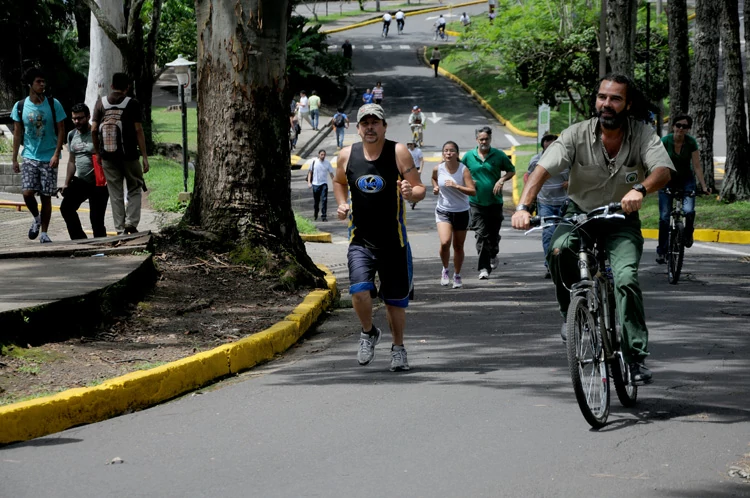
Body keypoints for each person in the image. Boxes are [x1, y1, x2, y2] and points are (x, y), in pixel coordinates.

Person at [511, 73, 675, 384]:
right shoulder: (575, 135)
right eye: (602, 97)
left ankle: (636, 356)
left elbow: (663, 171)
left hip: (621, 221)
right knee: (558, 250)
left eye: (615, 99)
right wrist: (523, 207)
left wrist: (640, 189)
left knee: (625, 279)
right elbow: (542, 169)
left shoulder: (642, 134)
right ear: (595, 100)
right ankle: (570, 315)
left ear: (627, 105)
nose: (607, 104)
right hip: (581, 215)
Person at [332, 103, 426, 372]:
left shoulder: (398, 152)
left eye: (375, 122)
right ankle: (368, 332)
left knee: (394, 302)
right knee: (359, 291)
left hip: (393, 242)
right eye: (365, 123)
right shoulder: (347, 154)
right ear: (358, 128)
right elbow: (339, 182)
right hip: (360, 239)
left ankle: (398, 348)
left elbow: (420, 188)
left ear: (384, 126)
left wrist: (410, 192)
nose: (370, 127)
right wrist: (341, 204)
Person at [10, 67, 66, 244]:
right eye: (38, 82)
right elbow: (17, 133)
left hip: (49, 156)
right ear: (30, 84)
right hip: (29, 156)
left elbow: (61, 129)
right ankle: (36, 218)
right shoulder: (20, 106)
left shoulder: (53, 103)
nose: (42, 85)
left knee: (46, 196)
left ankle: (44, 233)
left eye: (44, 82)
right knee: (27, 193)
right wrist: (14, 159)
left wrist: (57, 154)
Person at [91, 72, 150, 235]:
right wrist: (144, 156)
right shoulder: (132, 103)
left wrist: (98, 153)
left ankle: (119, 228)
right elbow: (138, 130)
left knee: (115, 192)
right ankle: (131, 222)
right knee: (135, 186)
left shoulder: (100, 103)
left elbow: (94, 129)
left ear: (111, 86)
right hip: (129, 155)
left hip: (108, 156)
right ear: (127, 87)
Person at [656, 114, 710, 262]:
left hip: (686, 180)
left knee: (688, 211)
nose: (680, 128)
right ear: (673, 126)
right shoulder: (665, 141)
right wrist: (655, 182)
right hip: (667, 180)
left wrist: (704, 186)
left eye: (684, 126)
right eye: (678, 125)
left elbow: (697, 166)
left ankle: (688, 233)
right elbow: (657, 162)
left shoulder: (691, 142)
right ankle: (662, 250)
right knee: (664, 217)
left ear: (688, 129)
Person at [463, 126, 515, 279]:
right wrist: (468, 181)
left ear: (490, 139)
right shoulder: (468, 156)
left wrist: (501, 179)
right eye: (481, 139)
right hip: (476, 202)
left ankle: (493, 252)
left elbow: (511, 170)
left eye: (486, 139)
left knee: (493, 234)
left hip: (495, 202)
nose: (484, 141)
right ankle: (483, 268)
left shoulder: (499, 155)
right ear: (477, 140)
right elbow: (460, 171)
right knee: (481, 235)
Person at [60, 103, 109, 240]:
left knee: (96, 220)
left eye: (80, 118)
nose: (77, 121)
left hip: (99, 184)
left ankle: (101, 249)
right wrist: (66, 183)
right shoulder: (71, 135)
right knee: (66, 209)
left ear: (88, 117)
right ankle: (80, 241)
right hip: (81, 182)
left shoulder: (97, 133)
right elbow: (71, 161)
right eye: (74, 119)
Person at [432, 141, 476, 289]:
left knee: (458, 246)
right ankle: (445, 269)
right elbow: (433, 178)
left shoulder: (463, 170)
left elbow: (472, 191)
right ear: (443, 153)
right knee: (445, 243)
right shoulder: (438, 168)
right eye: (445, 151)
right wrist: (436, 187)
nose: (448, 153)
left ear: (457, 154)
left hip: (461, 211)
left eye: (451, 151)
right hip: (443, 210)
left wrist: (457, 186)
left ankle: (457, 274)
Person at [526, 133, 567, 279]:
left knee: (566, 235)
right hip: (545, 203)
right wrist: (528, 203)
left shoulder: (567, 159)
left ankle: (565, 264)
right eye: (547, 148)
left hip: (565, 202)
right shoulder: (536, 160)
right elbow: (529, 178)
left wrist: (571, 182)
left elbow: (577, 176)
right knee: (549, 233)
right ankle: (550, 265)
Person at [307, 149, 335, 222]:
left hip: (324, 184)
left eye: (324, 155)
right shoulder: (314, 162)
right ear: (318, 155)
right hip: (315, 184)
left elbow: (331, 173)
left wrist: (335, 182)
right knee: (316, 201)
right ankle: (316, 213)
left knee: (324, 200)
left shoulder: (327, 163)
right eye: (321, 155)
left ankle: (324, 216)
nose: (323, 156)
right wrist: (309, 182)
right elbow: (310, 172)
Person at [407, 141, 425, 209]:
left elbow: (421, 160)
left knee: (416, 184)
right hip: (409, 169)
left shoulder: (418, 151)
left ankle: (415, 197)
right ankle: (410, 199)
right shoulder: (407, 151)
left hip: (416, 169)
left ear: (414, 144)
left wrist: (420, 169)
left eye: (410, 144)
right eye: (408, 144)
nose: (409, 145)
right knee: (409, 184)